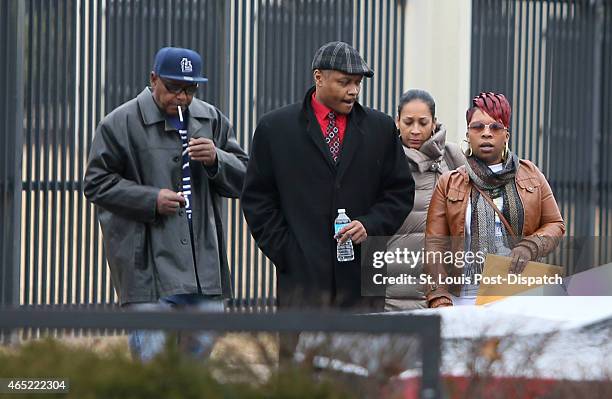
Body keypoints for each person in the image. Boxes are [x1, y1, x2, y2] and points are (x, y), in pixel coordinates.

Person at [84, 46, 248, 360]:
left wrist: (217, 160)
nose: (182, 98)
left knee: (197, 357)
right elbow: (95, 183)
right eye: (173, 88)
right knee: (153, 366)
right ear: (153, 79)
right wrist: (150, 199)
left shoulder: (211, 118)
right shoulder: (120, 122)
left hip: (203, 268)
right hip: (146, 266)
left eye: (190, 89)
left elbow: (246, 178)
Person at [241, 41, 415, 310]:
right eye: (345, 82)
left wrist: (370, 224)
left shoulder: (380, 129)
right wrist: (288, 252)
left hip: (361, 277)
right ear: (318, 77)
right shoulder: (275, 129)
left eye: (358, 82)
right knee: (301, 353)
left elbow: (400, 193)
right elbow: (257, 199)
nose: (353, 90)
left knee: (366, 351)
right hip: (301, 280)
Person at [425, 92, 565, 308]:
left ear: (506, 135)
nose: (486, 133)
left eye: (495, 127)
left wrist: (530, 247)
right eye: (478, 127)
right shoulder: (449, 183)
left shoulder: (531, 175)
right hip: (464, 299)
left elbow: (555, 225)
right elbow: (435, 246)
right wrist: (440, 299)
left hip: (518, 294)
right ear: (468, 134)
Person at [385, 89, 464, 311]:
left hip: (442, 290)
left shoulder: (452, 157)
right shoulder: (383, 158)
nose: (415, 130)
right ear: (397, 121)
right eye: (408, 122)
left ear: (434, 123)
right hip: (392, 287)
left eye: (423, 122)